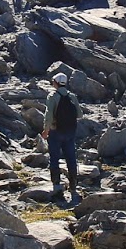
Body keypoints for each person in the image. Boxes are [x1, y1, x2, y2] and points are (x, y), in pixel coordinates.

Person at [40, 72, 79, 203]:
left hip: (56, 132)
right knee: (71, 158)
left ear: (55, 83)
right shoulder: (72, 96)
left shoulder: (52, 96)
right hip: (70, 132)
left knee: (54, 158)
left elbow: (48, 116)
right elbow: (79, 114)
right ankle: (73, 187)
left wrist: (46, 131)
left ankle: (57, 185)